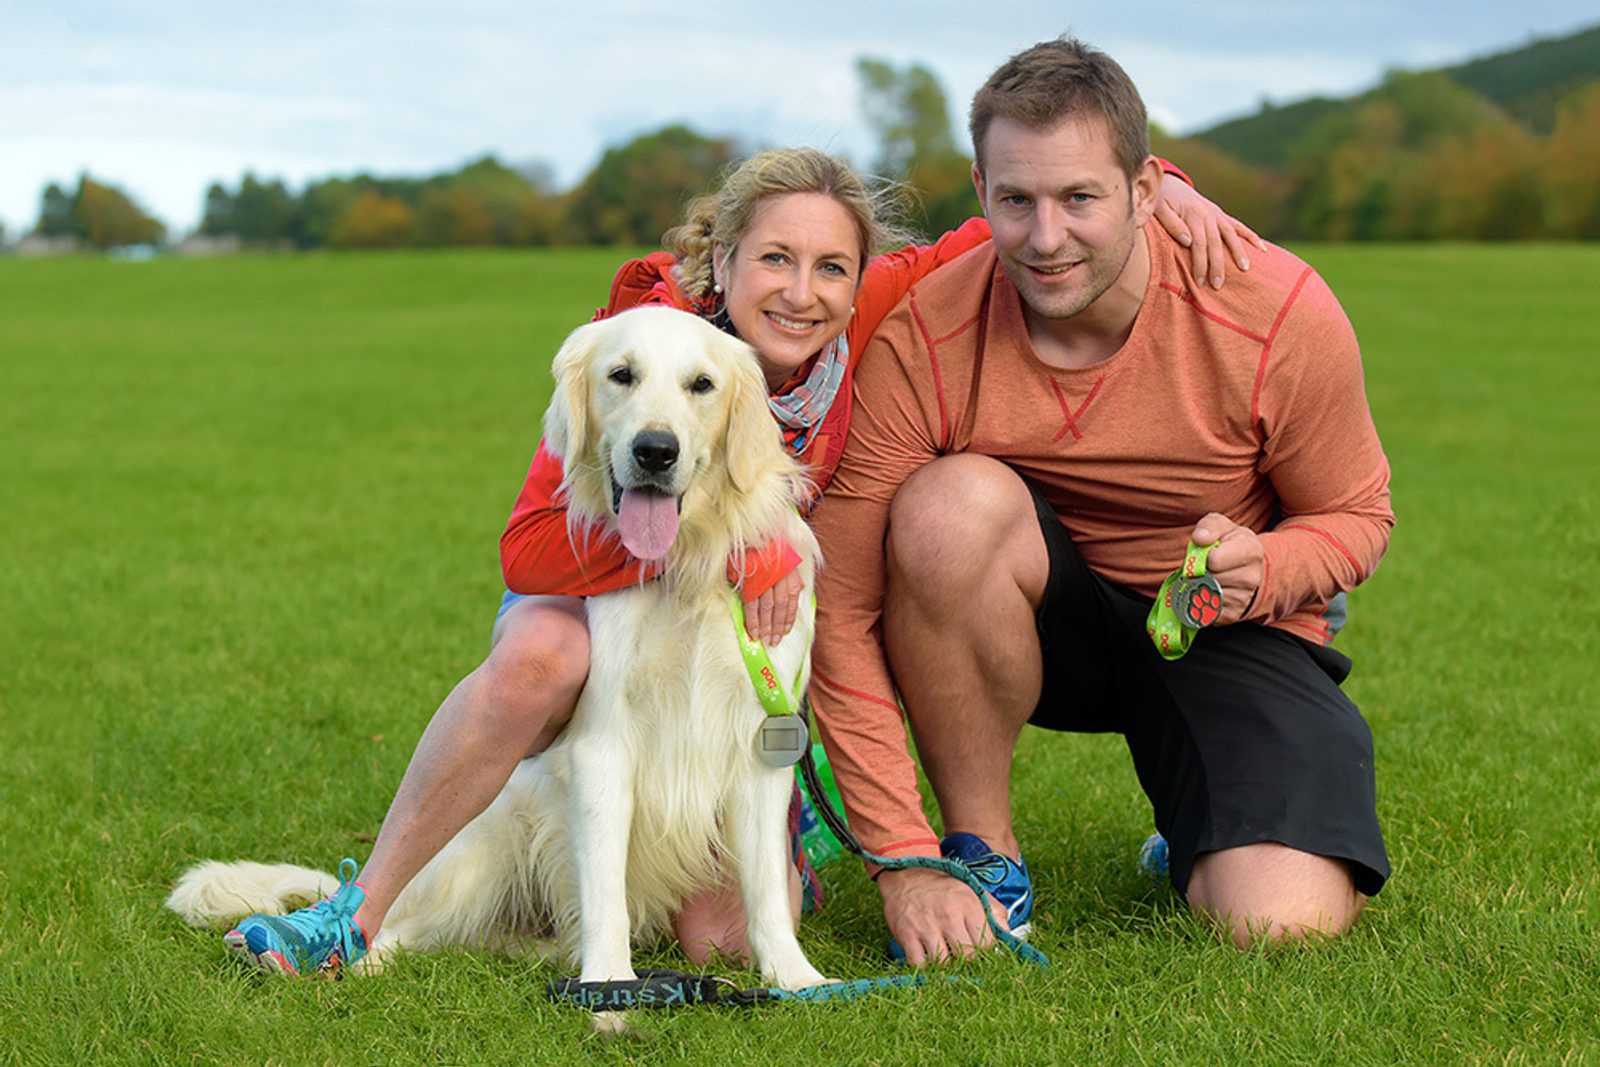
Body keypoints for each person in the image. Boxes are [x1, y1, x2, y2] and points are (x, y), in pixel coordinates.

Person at [224, 144, 1257, 975]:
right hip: (605, 610)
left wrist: (1162, 193)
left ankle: (763, 854)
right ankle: (359, 911)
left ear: (860, 279)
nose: (801, 293)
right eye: (773, 260)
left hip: (737, 674)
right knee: (543, 651)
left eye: (829, 268)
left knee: (721, 940)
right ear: (721, 261)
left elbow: (995, 229)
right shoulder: (634, 350)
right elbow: (529, 544)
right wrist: (735, 549)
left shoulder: (854, 313)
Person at [804, 36, 1394, 963]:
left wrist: (1265, 566)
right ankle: (982, 856)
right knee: (947, 504)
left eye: (1080, 197)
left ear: (1149, 190)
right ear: (981, 190)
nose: (1046, 239)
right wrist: (902, 855)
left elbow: (1359, 517)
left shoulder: (1277, 309)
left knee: (1279, 922)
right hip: (1045, 618)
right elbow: (837, 602)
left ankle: (1197, 821)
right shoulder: (928, 334)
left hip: (1219, 618)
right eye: (1017, 200)